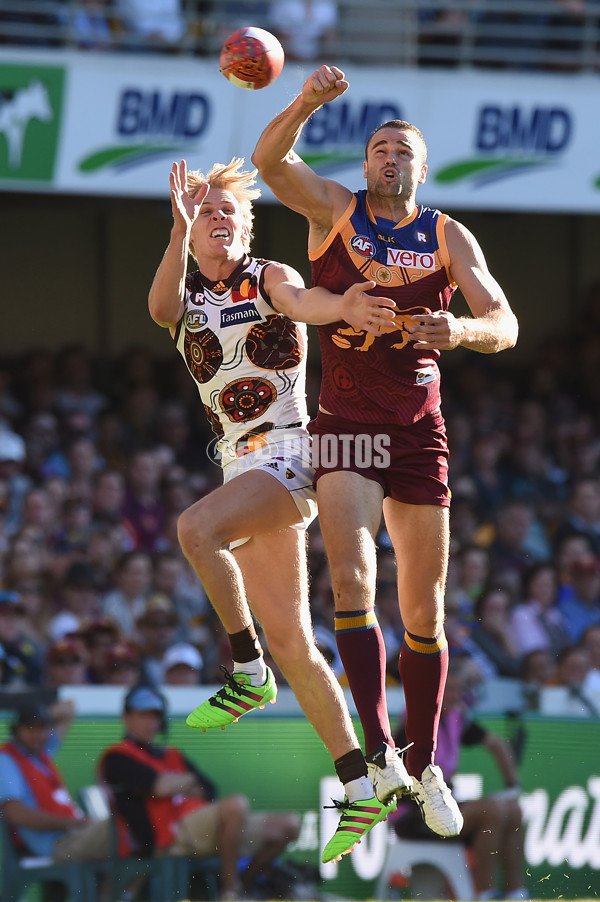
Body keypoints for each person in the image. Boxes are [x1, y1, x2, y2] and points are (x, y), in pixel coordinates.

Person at [252, 64, 519, 839]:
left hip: (419, 429)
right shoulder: (337, 212)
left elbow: (503, 322)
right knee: (352, 579)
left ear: (422, 168)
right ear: (364, 164)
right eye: (378, 148)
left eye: (403, 149)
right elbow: (270, 165)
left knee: (425, 608)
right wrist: (304, 101)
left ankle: (427, 764)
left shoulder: (446, 234)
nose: (389, 157)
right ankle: (378, 754)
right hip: (347, 424)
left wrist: (459, 330)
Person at [147, 155, 400, 863]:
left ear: (247, 225)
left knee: (195, 529)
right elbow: (160, 311)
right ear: (192, 233)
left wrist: (341, 305)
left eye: (230, 211)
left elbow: (302, 300)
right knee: (296, 640)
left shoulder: (266, 275)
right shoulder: (187, 291)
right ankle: (359, 784)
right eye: (207, 214)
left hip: (289, 452)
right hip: (240, 463)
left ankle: (244, 669)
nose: (219, 220)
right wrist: (176, 230)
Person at [99, 684, 299, 899]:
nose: (150, 722)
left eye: (155, 715)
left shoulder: (171, 753)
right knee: (236, 804)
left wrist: (175, 783)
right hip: (169, 836)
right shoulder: (117, 756)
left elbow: (208, 789)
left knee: (288, 825)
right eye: (142, 715)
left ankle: (246, 883)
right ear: (127, 718)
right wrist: (182, 783)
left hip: (207, 828)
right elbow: (159, 786)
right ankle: (230, 891)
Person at [392, 657, 529, 901]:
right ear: (433, 691)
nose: (455, 696)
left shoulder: (456, 718)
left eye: (459, 690)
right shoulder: (413, 724)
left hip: (443, 809)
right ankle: (483, 893)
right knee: (492, 811)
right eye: (449, 690)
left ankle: (515, 893)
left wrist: (512, 785)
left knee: (514, 810)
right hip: (414, 816)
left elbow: (497, 744)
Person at [0, 700, 110, 863]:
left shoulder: (42, 754)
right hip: (54, 844)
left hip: (72, 835)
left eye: (41, 728)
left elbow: (68, 708)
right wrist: (72, 823)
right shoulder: (6, 760)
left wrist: (41, 715)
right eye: (29, 728)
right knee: (117, 829)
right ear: (17, 730)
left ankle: (116, 890)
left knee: (129, 833)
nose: (36, 734)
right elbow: (15, 813)